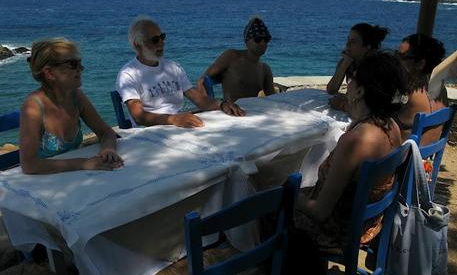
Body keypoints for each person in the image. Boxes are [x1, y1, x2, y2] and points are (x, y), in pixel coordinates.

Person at [295, 51, 409, 251]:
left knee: (267, 208)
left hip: (338, 231)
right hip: (369, 222)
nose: (348, 85)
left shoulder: (356, 140)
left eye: (351, 80)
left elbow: (320, 212)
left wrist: (289, 194)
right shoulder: (392, 127)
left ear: (360, 92)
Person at [116, 17, 245, 128]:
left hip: (177, 127)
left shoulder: (172, 68)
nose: (161, 43)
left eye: (162, 37)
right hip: (150, 132)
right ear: (137, 44)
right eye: (154, 40)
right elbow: (139, 117)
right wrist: (173, 119)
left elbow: (199, 100)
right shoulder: (128, 74)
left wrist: (222, 105)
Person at [20, 38, 123, 174]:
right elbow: (29, 165)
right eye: (73, 65)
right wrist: (84, 163)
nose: (81, 69)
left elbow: (105, 132)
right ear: (50, 73)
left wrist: (108, 149)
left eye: (80, 63)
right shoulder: (33, 107)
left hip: (75, 177)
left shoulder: (75, 96)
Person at [196, 16, 275, 102]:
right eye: (258, 39)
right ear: (247, 41)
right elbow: (202, 80)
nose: (263, 43)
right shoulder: (232, 56)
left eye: (266, 39)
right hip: (231, 112)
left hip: (252, 112)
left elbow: (273, 100)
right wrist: (211, 105)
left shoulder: (265, 69)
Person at [394, 33, 446, 145]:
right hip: (424, 156)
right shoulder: (441, 88)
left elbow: (380, 117)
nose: (396, 60)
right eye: (396, 55)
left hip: (404, 158)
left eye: (402, 57)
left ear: (420, 63)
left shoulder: (409, 93)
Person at [327, 23, 389, 96]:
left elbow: (373, 99)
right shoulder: (350, 61)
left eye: (353, 42)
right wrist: (345, 63)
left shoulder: (377, 66)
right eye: (348, 39)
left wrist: (344, 105)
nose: (347, 44)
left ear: (367, 46)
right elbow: (331, 90)